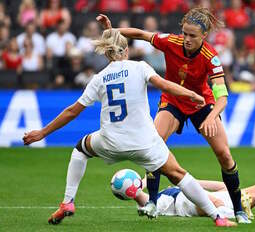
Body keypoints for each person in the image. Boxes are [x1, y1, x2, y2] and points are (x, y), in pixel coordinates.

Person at [23, 29, 235, 227]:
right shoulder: (140, 67)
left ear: (107, 54)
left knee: (80, 149)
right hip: (144, 144)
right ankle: (217, 217)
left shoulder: (98, 79)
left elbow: (72, 111)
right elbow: (164, 85)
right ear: (126, 51)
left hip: (109, 142)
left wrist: (42, 133)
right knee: (179, 175)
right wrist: (191, 94)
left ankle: (68, 201)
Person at [97, 7, 251, 223]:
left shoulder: (211, 57)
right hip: (173, 101)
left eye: (192, 36)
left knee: (224, 155)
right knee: (155, 143)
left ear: (204, 36)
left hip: (201, 104)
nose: (186, 39)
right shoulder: (171, 42)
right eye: (185, 33)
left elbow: (222, 96)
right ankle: (151, 202)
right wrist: (112, 31)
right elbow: (141, 34)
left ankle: (239, 210)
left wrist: (211, 117)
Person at [134, 177, 255, 219]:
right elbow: (139, 195)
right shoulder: (157, 201)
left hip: (197, 197)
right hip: (186, 202)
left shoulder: (171, 188)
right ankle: (234, 211)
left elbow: (221, 185)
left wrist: (192, 182)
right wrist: (137, 188)